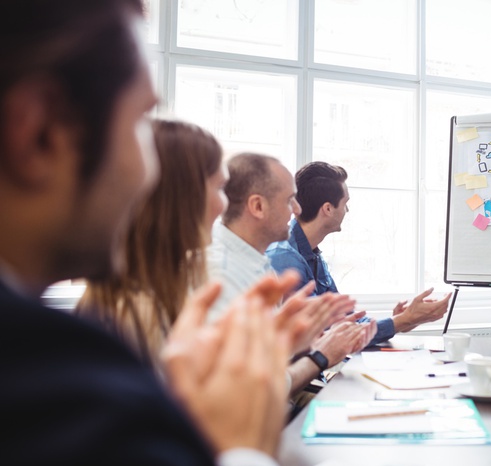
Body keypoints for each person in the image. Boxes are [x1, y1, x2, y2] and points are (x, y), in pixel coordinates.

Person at [0, 1, 300, 464]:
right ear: (41, 133)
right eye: (139, 122)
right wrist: (237, 448)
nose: (147, 177)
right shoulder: (56, 379)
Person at [207, 153, 376, 397]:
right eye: (289, 201)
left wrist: (311, 340)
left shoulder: (258, 262)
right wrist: (320, 355)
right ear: (257, 206)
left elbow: (270, 358)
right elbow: (254, 392)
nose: (297, 210)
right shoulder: (223, 274)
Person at [76, 119, 228, 368]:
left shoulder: (137, 296)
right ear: (181, 198)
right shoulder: (137, 312)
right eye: (220, 188)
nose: (223, 205)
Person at [267, 161, 452, 343]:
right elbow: (327, 333)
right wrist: (402, 321)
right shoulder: (285, 259)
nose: (347, 210)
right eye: (345, 203)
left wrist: (402, 321)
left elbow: (345, 320)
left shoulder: (313, 254)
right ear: (328, 209)